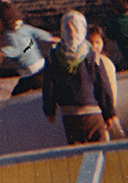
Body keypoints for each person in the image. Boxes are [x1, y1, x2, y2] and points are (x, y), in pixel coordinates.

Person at [42, 11, 117, 145]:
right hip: (92, 112)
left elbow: (48, 86)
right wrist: (109, 113)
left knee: (78, 154)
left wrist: (50, 110)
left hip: (69, 115)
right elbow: (103, 85)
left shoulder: (53, 56)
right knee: (100, 152)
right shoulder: (92, 55)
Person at [0, 2, 59, 96]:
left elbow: (17, 50)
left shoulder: (10, 34)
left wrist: (1, 52)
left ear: (3, 19)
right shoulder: (24, 28)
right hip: (41, 67)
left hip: (30, 73)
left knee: (16, 98)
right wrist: (50, 38)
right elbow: (38, 33)